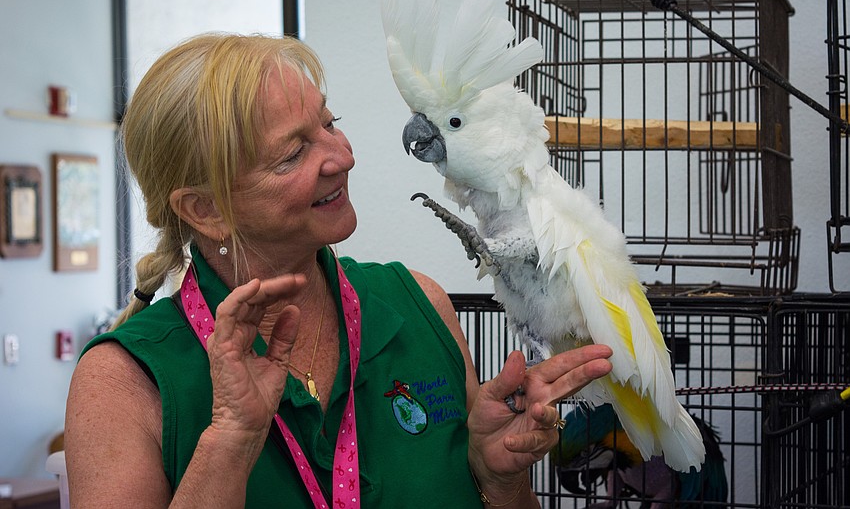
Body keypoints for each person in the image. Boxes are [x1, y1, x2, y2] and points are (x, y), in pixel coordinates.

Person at [64, 32, 613, 508]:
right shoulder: (123, 380)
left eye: (330, 124)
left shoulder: (417, 305)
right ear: (205, 210)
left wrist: (498, 479)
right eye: (293, 153)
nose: (343, 157)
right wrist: (232, 438)